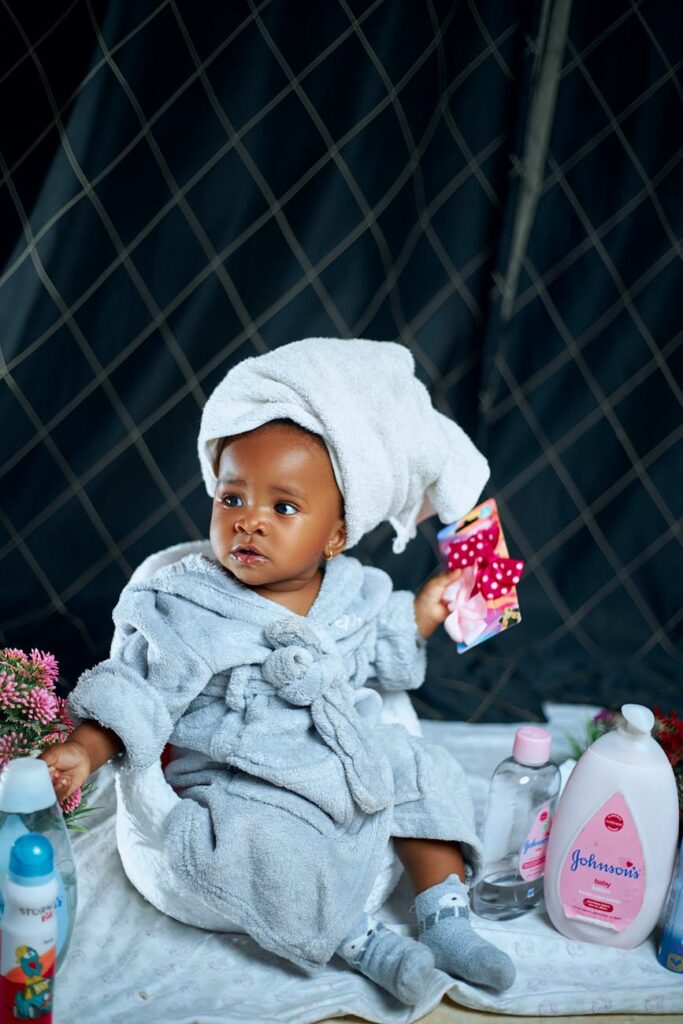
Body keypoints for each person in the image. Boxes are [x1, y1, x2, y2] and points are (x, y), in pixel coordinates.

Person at [41, 339, 515, 1005]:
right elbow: (137, 691)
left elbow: (384, 652)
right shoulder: (185, 602)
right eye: (232, 499)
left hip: (343, 754)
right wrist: (84, 749)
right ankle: (355, 939)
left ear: (334, 535)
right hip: (246, 777)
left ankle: (444, 914)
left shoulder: (355, 589)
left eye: (282, 508)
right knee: (256, 847)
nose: (249, 523)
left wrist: (425, 614)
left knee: (423, 770)